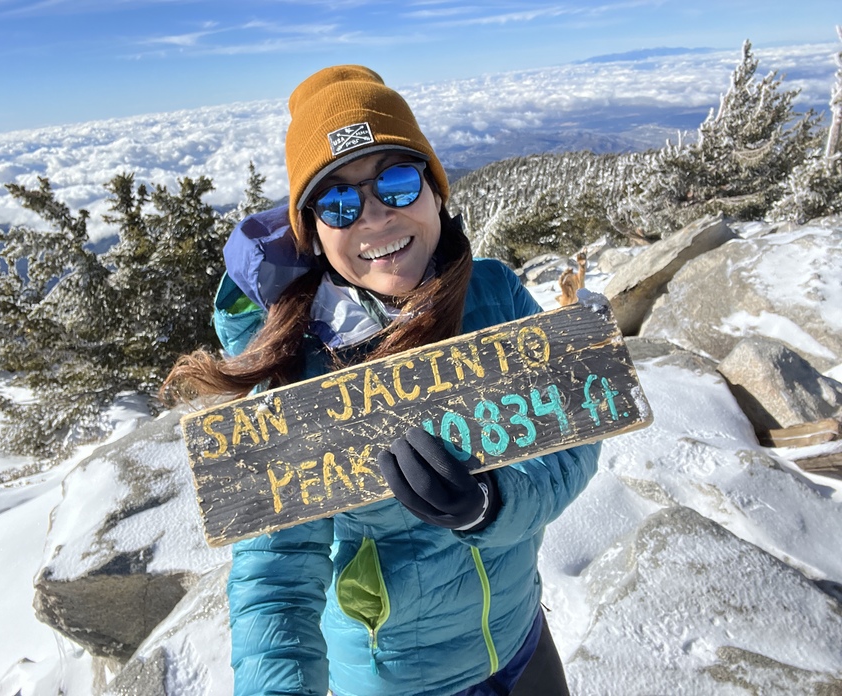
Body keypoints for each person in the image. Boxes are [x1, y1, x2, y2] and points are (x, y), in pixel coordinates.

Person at [163, 65, 600, 696]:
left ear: (435, 192)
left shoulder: (498, 293)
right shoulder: (297, 370)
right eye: (337, 203)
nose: (372, 218)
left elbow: (575, 437)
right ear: (311, 234)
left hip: (519, 639)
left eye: (395, 181)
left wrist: (490, 505)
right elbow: (275, 581)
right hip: (397, 683)